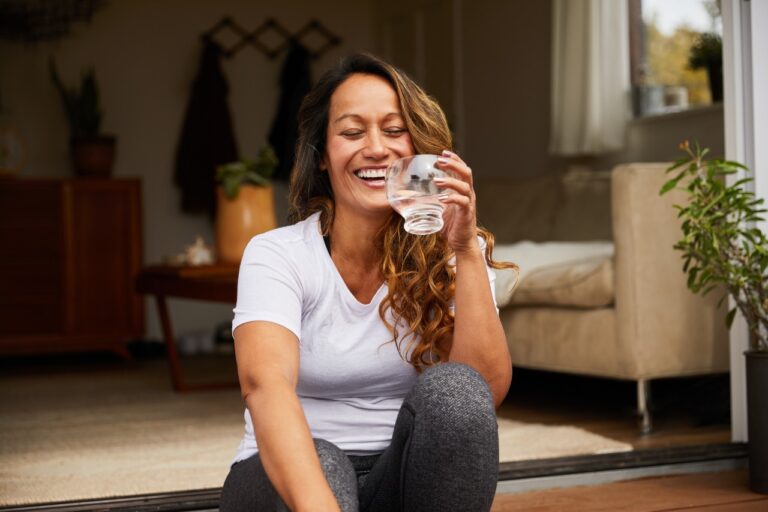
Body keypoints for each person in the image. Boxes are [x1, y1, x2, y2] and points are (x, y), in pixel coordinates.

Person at [220, 52, 515, 512]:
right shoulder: (277, 254)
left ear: (417, 146)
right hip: (289, 482)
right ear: (322, 156)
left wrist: (464, 252)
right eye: (352, 132)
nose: (376, 148)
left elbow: (483, 391)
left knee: (457, 391)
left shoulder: (453, 247)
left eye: (394, 131)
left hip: (397, 481)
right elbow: (265, 387)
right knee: (325, 463)